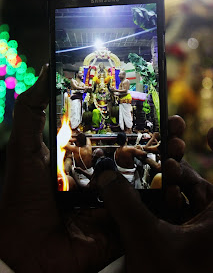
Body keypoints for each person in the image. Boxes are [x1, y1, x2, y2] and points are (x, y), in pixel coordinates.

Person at [1, 64, 213, 273]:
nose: (107, 76)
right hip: (115, 181)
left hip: (100, 169)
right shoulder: (109, 146)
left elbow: (118, 94)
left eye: (113, 73)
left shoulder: (83, 148)